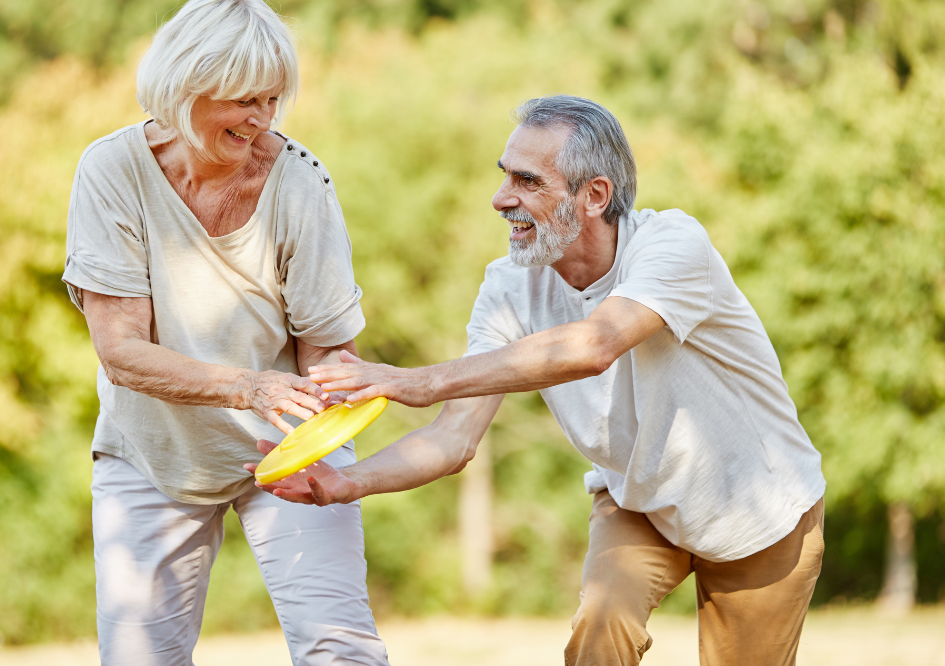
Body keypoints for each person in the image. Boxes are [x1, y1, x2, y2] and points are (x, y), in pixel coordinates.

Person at [252, 95, 827, 666]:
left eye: (528, 181)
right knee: (601, 626)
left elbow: (596, 344)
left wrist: (417, 381)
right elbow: (454, 438)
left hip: (761, 511)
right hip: (640, 503)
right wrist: (346, 482)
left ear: (595, 195)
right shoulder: (510, 288)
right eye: (505, 177)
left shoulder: (673, 247)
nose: (502, 199)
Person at [62, 0, 388, 666]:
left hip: (289, 443)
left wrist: (324, 416)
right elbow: (120, 351)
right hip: (152, 453)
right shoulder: (111, 172)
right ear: (188, 88)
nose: (262, 119)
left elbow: (328, 350)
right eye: (245, 100)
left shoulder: (301, 183)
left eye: (273, 99)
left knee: (342, 652)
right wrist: (250, 387)